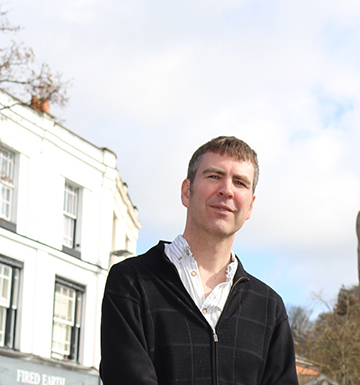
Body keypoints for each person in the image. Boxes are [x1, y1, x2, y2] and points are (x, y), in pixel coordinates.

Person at [100, 136, 299, 385]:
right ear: (186, 191)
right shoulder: (131, 282)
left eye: (240, 182)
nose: (227, 190)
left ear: (250, 207)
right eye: (214, 176)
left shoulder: (270, 308)